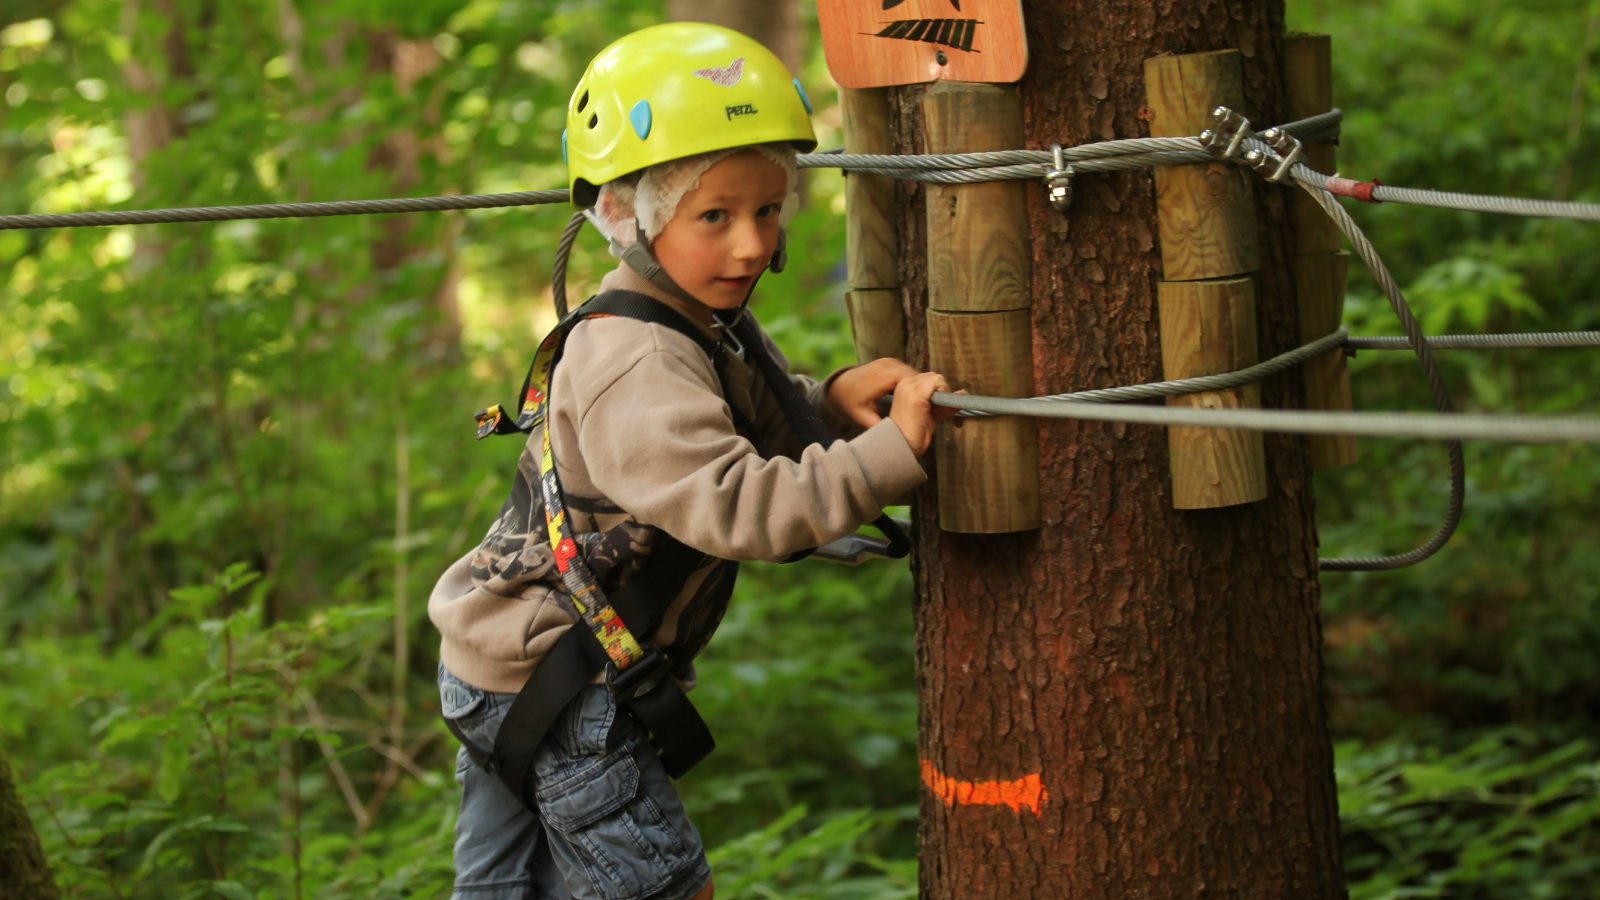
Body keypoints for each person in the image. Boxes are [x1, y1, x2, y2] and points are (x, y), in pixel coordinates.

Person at [427, 21, 956, 900]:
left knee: (504, 890)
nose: (750, 245)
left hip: (507, 665)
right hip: (560, 685)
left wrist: (826, 402)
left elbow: (736, 414)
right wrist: (889, 455)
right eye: (714, 216)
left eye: (765, 210)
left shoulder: (687, 318)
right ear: (630, 217)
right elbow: (740, 505)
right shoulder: (637, 356)